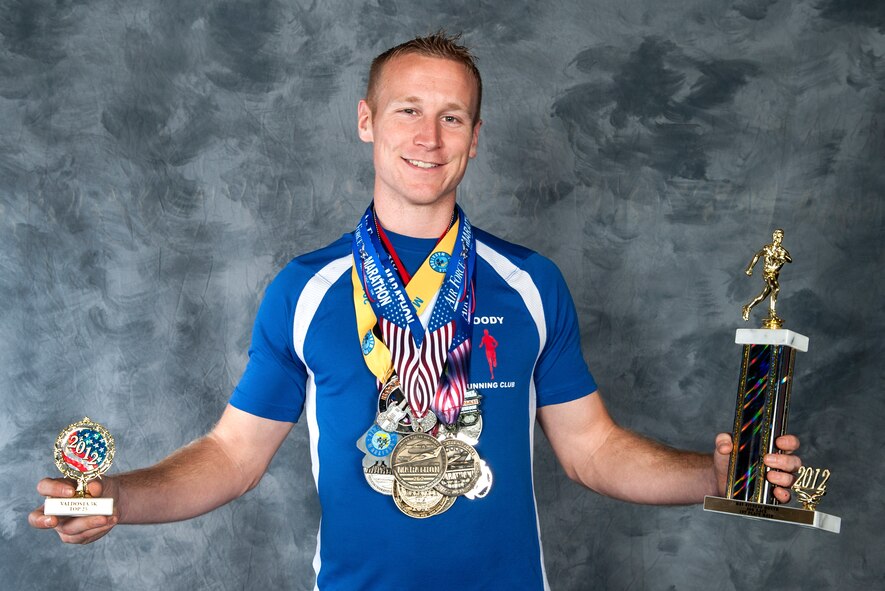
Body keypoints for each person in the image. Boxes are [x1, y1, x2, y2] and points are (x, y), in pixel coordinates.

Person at [30, 33, 801, 590]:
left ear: (474, 138)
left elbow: (591, 451)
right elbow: (230, 457)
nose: (427, 138)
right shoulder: (305, 290)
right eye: (407, 111)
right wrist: (114, 498)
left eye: (452, 117)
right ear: (366, 120)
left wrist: (716, 472)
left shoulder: (530, 282)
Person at [742, 228, 792, 325]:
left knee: (762, 296)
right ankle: (772, 313)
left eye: (781, 237)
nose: (779, 239)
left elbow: (790, 260)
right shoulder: (768, 249)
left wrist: (783, 257)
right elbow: (757, 255)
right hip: (768, 273)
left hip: (775, 274)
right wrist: (750, 268)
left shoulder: (782, 251)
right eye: (778, 236)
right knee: (776, 289)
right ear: (774, 237)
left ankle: (748, 307)